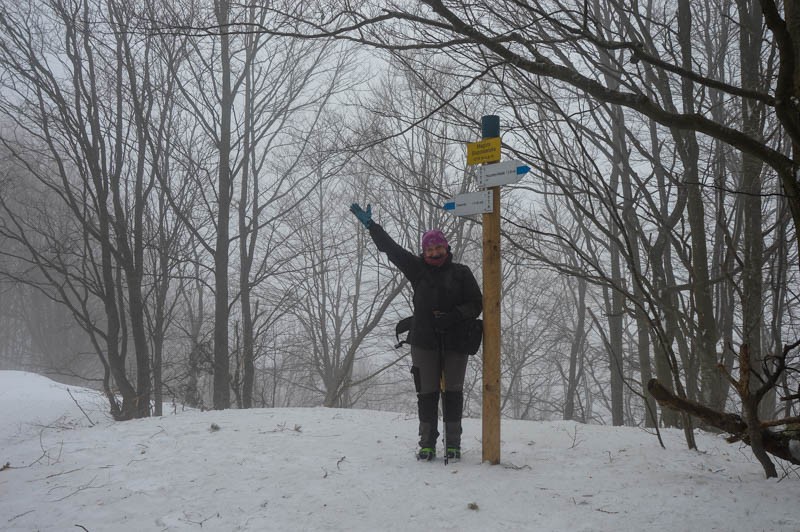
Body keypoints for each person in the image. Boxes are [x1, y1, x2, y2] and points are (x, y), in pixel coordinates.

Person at [350, 203, 482, 461]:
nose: (435, 252)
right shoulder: (417, 269)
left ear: (447, 248)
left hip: (456, 340)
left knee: (453, 392)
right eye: (430, 248)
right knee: (427, 393)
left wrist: (455, 316)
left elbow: (476, 303)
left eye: (439, 247)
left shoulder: (461, 273)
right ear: (424, 251)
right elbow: (392, 249)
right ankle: (427, 444)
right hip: (424, 341)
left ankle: (453, 444)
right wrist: (372, 227)